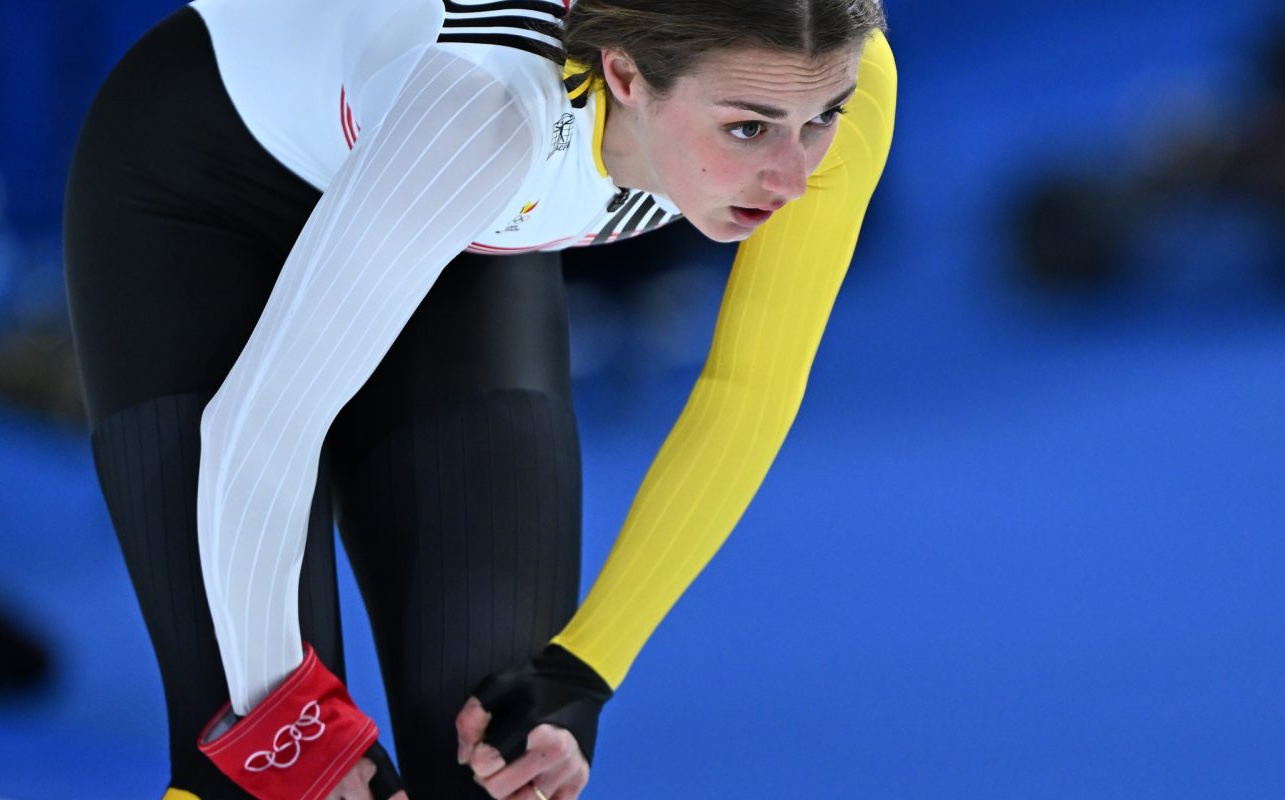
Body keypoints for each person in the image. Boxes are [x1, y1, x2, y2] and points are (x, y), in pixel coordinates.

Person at [62, 0, 895, 796]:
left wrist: (583, 669)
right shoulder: (491, 106)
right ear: (626, 76)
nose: (794, 175)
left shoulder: (819, 66)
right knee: (255, 779)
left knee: (503, 757)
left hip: (457, 229)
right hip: (210, 195)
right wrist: (293, 727)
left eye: (822, 120)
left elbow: (747, 387)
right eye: (747, 129)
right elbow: (261, 426)